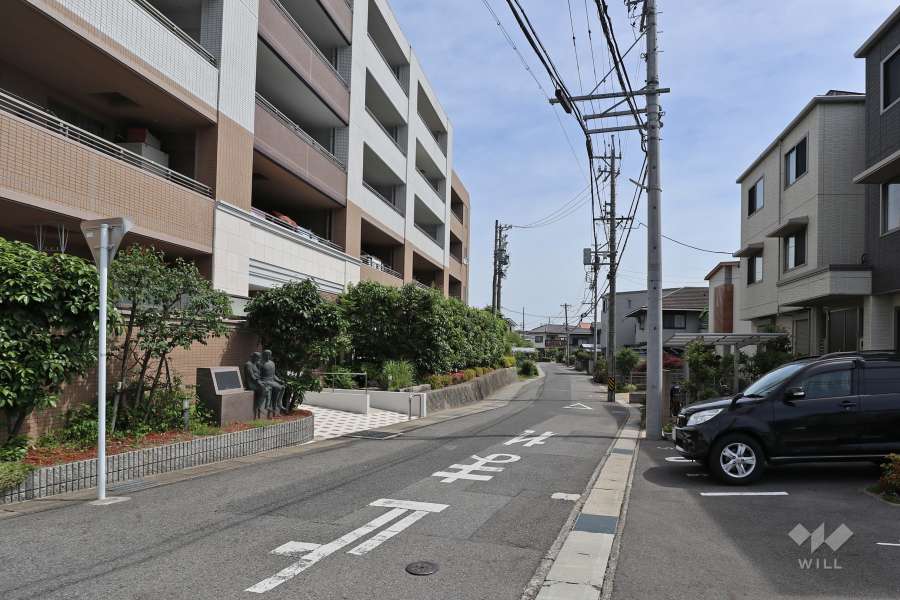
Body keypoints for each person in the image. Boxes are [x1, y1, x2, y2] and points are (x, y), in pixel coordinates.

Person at [260, 349, 286, 415]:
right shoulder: (260, 364)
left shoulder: (272, 363)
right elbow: (257, 375)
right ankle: (274, 406)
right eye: (266, 355)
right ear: (263, 355)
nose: (268, 357)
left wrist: (279, 380)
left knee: (282, 387)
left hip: (272, 381)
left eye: (269, 355)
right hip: (265, 381)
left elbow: (273, 375)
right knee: (278, 387)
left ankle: (279, 403)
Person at [243, 352, 267, 419]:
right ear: (254, 357)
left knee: (267, 387)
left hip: (256, 382)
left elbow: (258, 374)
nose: (258, 359)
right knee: (263, 389)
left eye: (259, 358)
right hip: (250, 384)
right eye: (258, 358)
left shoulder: (255, 364)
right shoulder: (248, 364)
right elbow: (251, 375)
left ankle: (259, 406)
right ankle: (258, 408)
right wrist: (259, 382)